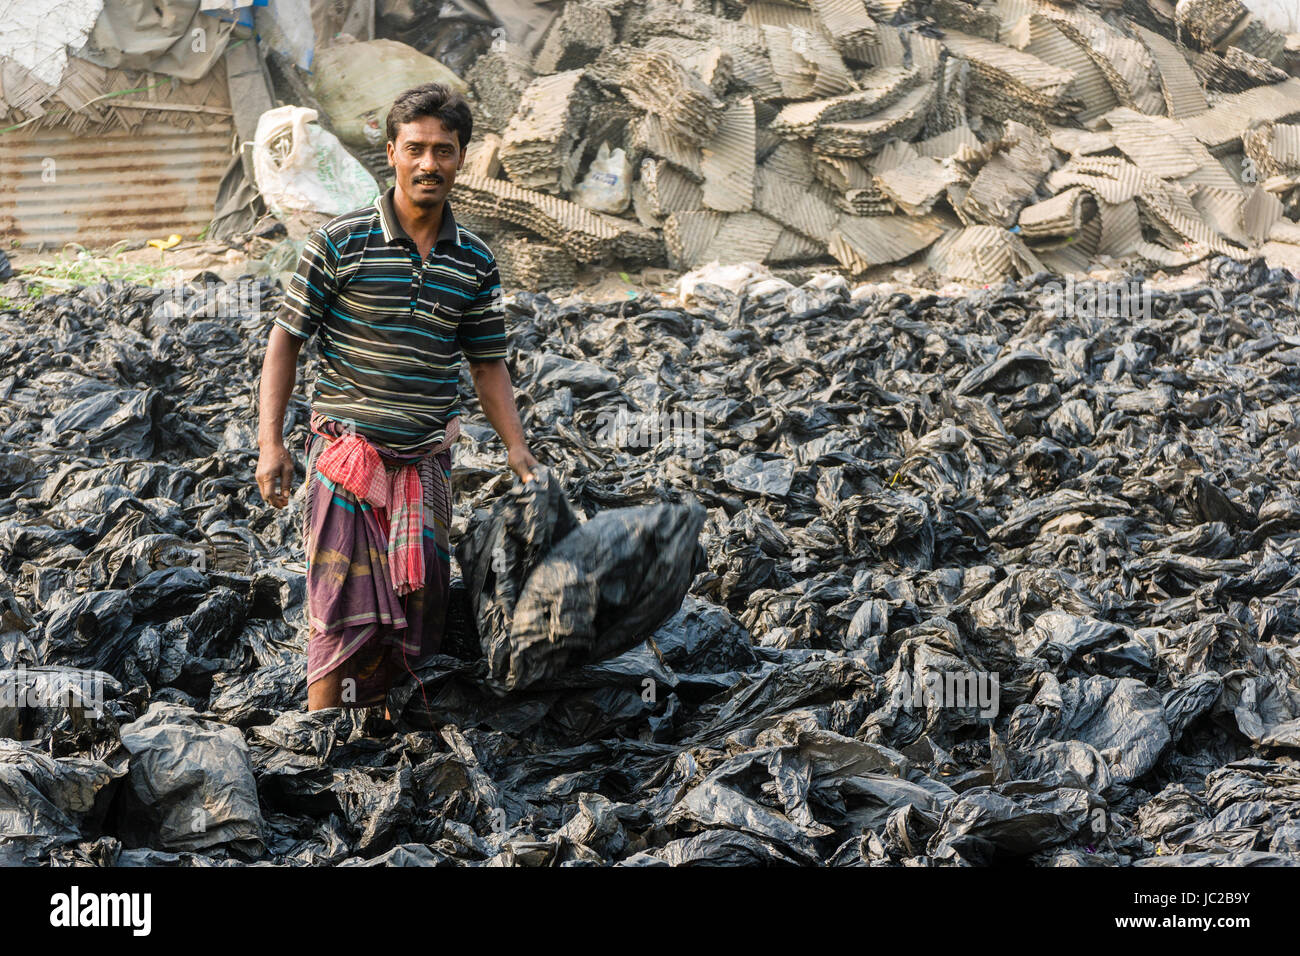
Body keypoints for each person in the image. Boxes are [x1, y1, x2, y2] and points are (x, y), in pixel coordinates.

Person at [254, 83, 538, 718]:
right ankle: (321, 743)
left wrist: (519, 451)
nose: (428, 164)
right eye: (415, 149)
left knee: (417, 610)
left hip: (424, 463)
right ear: (391, 153)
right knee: (340, 609)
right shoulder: (339, 243)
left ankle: (381, 743)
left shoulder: (475, 261)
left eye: (444, 150)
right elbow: (285, 341)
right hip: (348, 460)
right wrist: (272, 443)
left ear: (463, 157)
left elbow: (487, 363)